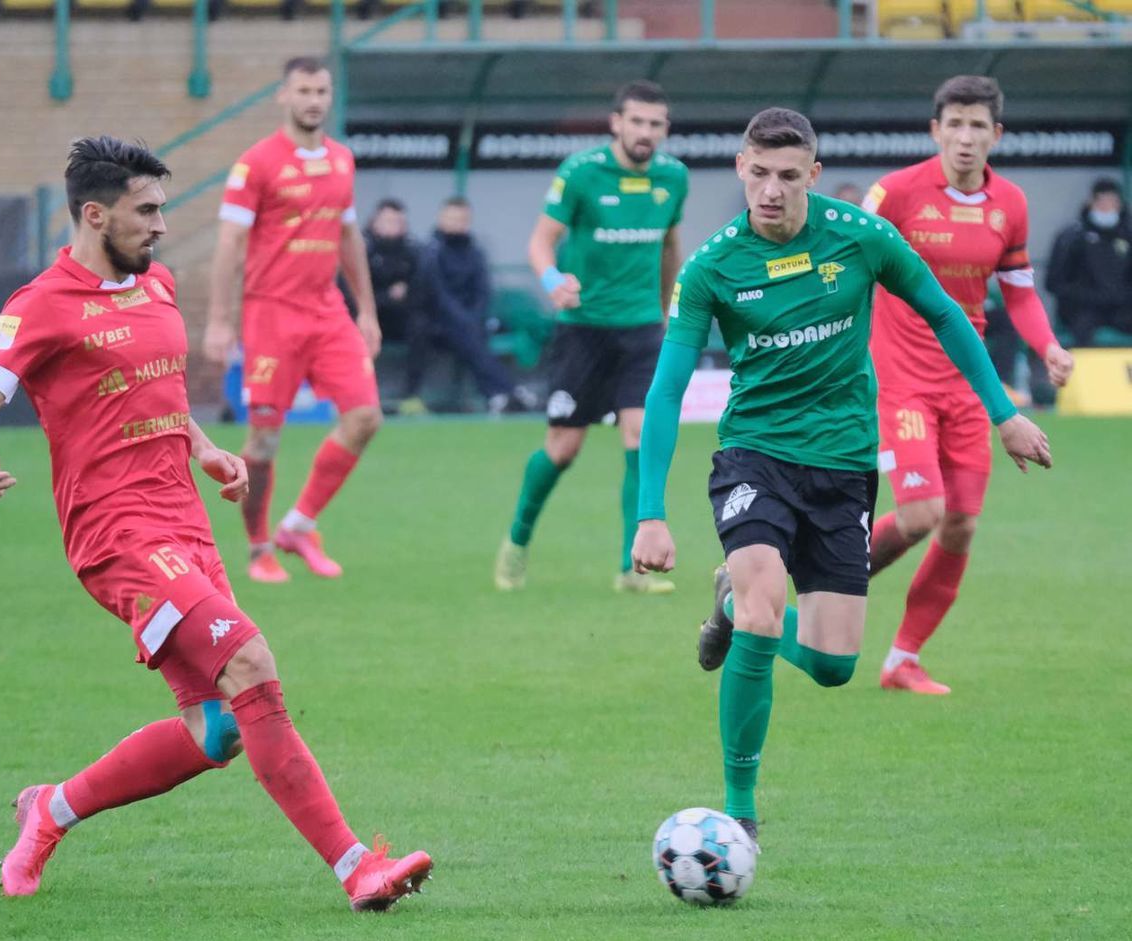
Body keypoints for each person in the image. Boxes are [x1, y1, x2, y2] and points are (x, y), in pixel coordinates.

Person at [0, 136, 432, 909]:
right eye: (146, 211)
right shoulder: (38, 305)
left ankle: (51, 808)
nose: (161, 225)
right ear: (94, 214)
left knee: (217, 730)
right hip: (118, 537)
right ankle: (356, 866)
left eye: (163, 208)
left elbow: (162, 395)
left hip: (185, 523)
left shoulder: (159, 286)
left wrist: (204, 449)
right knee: (251, 663)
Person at [632, 108, 1051, 843]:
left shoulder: (862, 236)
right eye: (758, 173)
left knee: (832, 664)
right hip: (755, 457)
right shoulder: (711, 266)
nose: (771, 190)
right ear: (739, 167)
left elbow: (946, 314)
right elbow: (666, 389)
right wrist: (650, 510)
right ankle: (740, 808)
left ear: (814, 176)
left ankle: (728, 611)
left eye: (788, 176)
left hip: (844, 463)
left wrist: (1003, 411)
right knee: (766, 607)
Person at [861, 75, 1074, 695]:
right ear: (935, 130)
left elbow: (1019, 292)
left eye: (977, 125)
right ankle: (822, 577)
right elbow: (841, 252)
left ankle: (903, 658)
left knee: (960, 525)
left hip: (967, 386)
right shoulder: (896, 193)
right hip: (901, 380)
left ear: (996, 135)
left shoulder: (1011, 203)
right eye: (953, 123)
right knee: (923, 512)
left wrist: (1049, 345)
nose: (964, 136)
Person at [494, 79, 688, 594]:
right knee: (562, 449)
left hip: (643, 329)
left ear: (665, 129)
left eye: (656, 123)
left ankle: (633, 568)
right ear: (616, 123)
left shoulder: (674, 178)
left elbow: (670, 246)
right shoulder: (581, 174)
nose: (646, 131)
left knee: (639, 436)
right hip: (583, 332)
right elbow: (541, 240)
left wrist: (667, 309)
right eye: (637, 121)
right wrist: (553, 281)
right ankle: (516, 540)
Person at [204, 56, 382, 584]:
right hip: (271, 316)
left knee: (366, 417)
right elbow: (230, 243)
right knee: (263, 441)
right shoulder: (256, 164)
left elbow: (349, 237)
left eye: (322, 90)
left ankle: (299, 525)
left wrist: (367, 310)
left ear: (331, 97)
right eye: (303, 90)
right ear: (283, 96)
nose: (313, 100)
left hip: (327, 312)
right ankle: (259, 548)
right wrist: (219, 320)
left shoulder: (342, 160)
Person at [422, 196, 534, 416]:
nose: (457, 223)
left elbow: (482, 291)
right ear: (441, 218)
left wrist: (473, 317)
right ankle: (507, 391)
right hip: (439, 324)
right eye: (452, 218)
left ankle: (498, 395)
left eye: (462, 218)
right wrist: (464, 319)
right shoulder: (431, 251)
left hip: (471, 323)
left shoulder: (475, 252)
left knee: (472, 337)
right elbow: (438, 295)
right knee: (469, 336)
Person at [1046, 177, 1132, 347]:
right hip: (1083, 309)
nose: (1107, 208)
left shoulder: (1128, 236)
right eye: (1101, 202)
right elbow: (1054, 283)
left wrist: (1121, 296)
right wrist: (1089, 296)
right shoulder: (1071, 237)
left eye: (1112, 202)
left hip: (1122, 308)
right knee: (1082, 329)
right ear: (1090, 202)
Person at [365, 197, 427, 414]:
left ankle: (411, 395)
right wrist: (387, 296)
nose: (394, 226)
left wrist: (404, 295)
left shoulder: (414, 251)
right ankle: (363, 396)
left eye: (398, 221)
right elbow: (351, 294)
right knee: (359, 331)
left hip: (400, 318)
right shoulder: (363, 249)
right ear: (376, 223)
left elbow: (421, 291)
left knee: (421, 325)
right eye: (388, 221)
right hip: (370, 316)